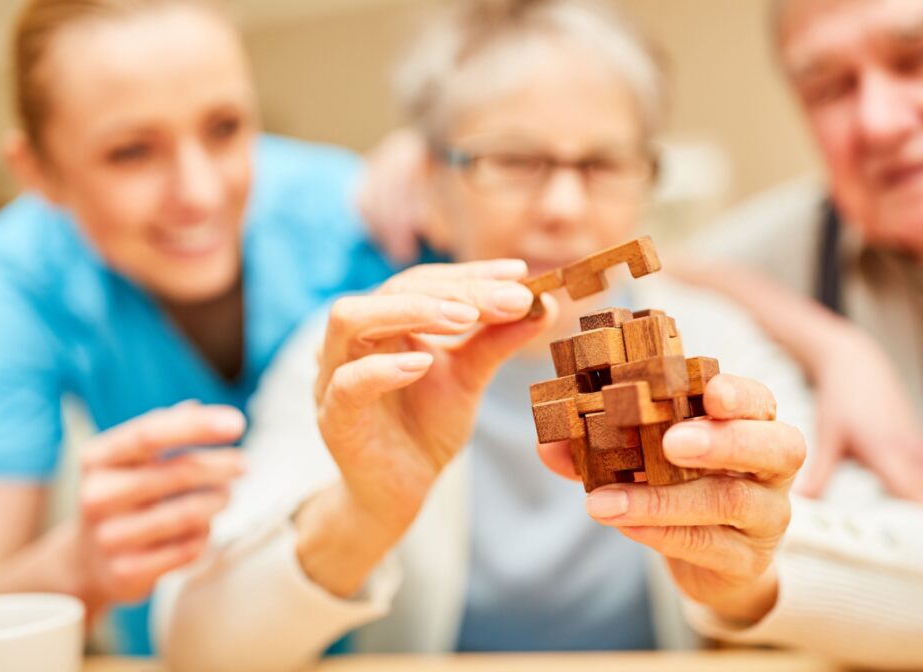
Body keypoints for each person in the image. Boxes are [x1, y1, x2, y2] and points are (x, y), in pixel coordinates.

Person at [154, 2, 920, 669]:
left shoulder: (716, 343)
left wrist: (751, 571)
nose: (561, 207)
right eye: (512, 160)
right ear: (430, 187)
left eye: (602, 163)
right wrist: (360, 514)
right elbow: (192, 647)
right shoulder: (360, 354)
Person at [0, 0, 403, 655]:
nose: (198, 192)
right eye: (131, 152)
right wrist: (79, 567)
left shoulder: (359, 210)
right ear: (38, 173)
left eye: (225, 128)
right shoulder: (25, 270)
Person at [689, 0, 923, 501]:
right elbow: (656, 267)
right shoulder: (784, 249)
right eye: (828, 90)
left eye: (914, 59)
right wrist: (833, 346)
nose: (878, 123)